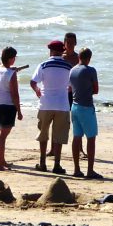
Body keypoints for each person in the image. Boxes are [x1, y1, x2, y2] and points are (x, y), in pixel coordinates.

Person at [30, 40, 72, 174]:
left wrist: (37, 90)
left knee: (43, 134)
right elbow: (71, 86)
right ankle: (57, 165)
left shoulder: (43, 65)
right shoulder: (68, 66)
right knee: (59, 136)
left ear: (51, 51)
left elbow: (33, 82)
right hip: (62, 105)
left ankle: (42, 162)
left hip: (45, 103)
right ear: (62, 51)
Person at [0, 47, 23, 171]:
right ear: (11, 59)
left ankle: (1, 160)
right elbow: (14, 94)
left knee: (0, 134)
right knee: (2, 136)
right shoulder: (11, 74)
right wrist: (19, 111)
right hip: (7, 106)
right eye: (14, 58)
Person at [69, 48, 102, 179]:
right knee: (91, 138)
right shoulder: (90, 70)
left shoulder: (72, 70)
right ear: (89, 58)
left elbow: (71, 88)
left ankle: (76, 169)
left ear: (79, 57)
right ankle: (90, 170)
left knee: (77, 137)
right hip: (86, 107)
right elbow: (96, 90)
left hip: (74, 106)